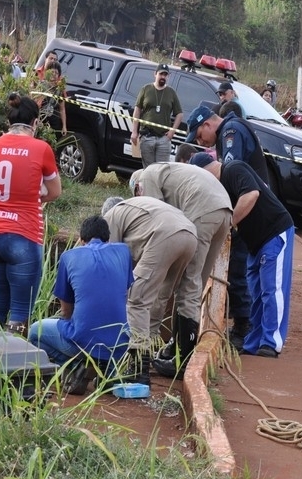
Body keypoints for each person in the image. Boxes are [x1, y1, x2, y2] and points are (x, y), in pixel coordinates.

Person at [128, 164, 233, 377]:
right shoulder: (167, 171)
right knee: (196, 284)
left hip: (202, 210)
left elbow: (156, 221)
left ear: (138, 188)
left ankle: (182, 359)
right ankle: (177, 348)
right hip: (224, 212)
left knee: (188, 283)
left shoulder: (146, 177)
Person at [189, 153, 294, 358]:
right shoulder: (221, 189)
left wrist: (229, 224)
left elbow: (251, 194)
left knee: (272, 289)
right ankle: (254, 340)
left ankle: (271, 341)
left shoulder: (234, 168)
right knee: (256, 292)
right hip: (254, 243)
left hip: (274, 233)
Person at [184, 105, 269, 345]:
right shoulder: (230, 130)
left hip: (248, 209)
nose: (204, 142)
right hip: (249, 207)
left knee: (237, 269)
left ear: (208, 124)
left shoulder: (230, 132)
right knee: (246, 270)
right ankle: (244, 322)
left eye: (200, 135)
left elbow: (230, 177)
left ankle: (243, 328)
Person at [0, 95, 62, 335]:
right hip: (23, 236)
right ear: (35, 123)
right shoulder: (41, 148)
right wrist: (36, 195)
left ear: (9, 121)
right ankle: (10, 369)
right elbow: (55, 191)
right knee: (19, 314)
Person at [28, 215, 134, 394]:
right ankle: (108, 370)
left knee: (35, 331)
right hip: (120, 343)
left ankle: (79, 366)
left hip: (83, 341)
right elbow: (122, 293)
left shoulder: (69, 256)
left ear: (81, 239)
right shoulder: (123, 252)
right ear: (108, 238)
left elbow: (66, 311)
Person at [101, 195, 197, 385]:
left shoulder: (111, 215)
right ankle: (147, 351)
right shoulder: (138, 210)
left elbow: (107, 261)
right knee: (159, 297)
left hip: (165, 235)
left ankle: (139, 368)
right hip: (190, 234)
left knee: (137, 299)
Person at [130, 64, 183, 168]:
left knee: (161, 170)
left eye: (165, 74)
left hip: (163, 138)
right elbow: (137, 110)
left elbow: (179, 114)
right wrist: (134, 131)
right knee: (148, 169)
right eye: (161, 74)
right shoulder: (146, 89)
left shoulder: (171, 92)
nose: (163, 77)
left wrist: (172, 131)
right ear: (155, 74)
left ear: (168, 76)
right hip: (147, 136)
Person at [37, 59, 68, 137]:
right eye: (52, 72)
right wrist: (37, 120)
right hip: (41, 121)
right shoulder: (41, 86)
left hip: (55, 124)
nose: (54, 74)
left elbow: (62, 109)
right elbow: (36, 105)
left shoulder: (59, 90)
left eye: (56, 73)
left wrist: (64, 126)